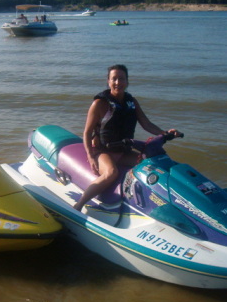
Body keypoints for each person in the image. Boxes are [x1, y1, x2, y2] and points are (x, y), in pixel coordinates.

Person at [73, 65, 181, 211]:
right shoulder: (99, 104)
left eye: (121, 78)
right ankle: (79, 205)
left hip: (124, 150)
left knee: (153, 164)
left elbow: (146, 124)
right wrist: (91, 157)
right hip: (103, 151)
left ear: (127, 81)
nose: (118, 82)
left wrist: (165, 133)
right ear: (108, 81)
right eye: (114, 79)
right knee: (111, 173)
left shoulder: (132, 102)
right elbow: (87, 132)